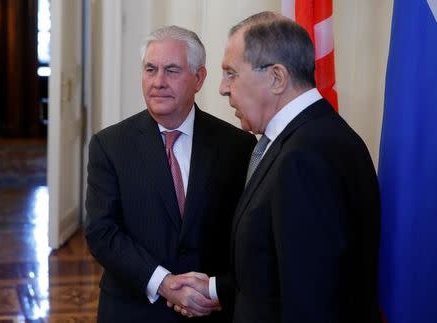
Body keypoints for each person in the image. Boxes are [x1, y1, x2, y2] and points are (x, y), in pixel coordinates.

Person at [169, 11, 382, 323]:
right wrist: (215, 288)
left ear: (277, 77)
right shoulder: (303, 139)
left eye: (231, 73)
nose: (222, 88)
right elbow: (280, 272)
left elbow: (313, 301)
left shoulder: (308, 157)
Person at [84, 25, 256, 323]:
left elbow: (244, 237)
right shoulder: (110, 145)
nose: (158, 82)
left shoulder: (237, 146)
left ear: (199, 78)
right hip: (133, 310)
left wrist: (219, 291)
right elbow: (102, 233)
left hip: (210, 310)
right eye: (151, 69)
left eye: (172, 70)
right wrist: (164, 284)